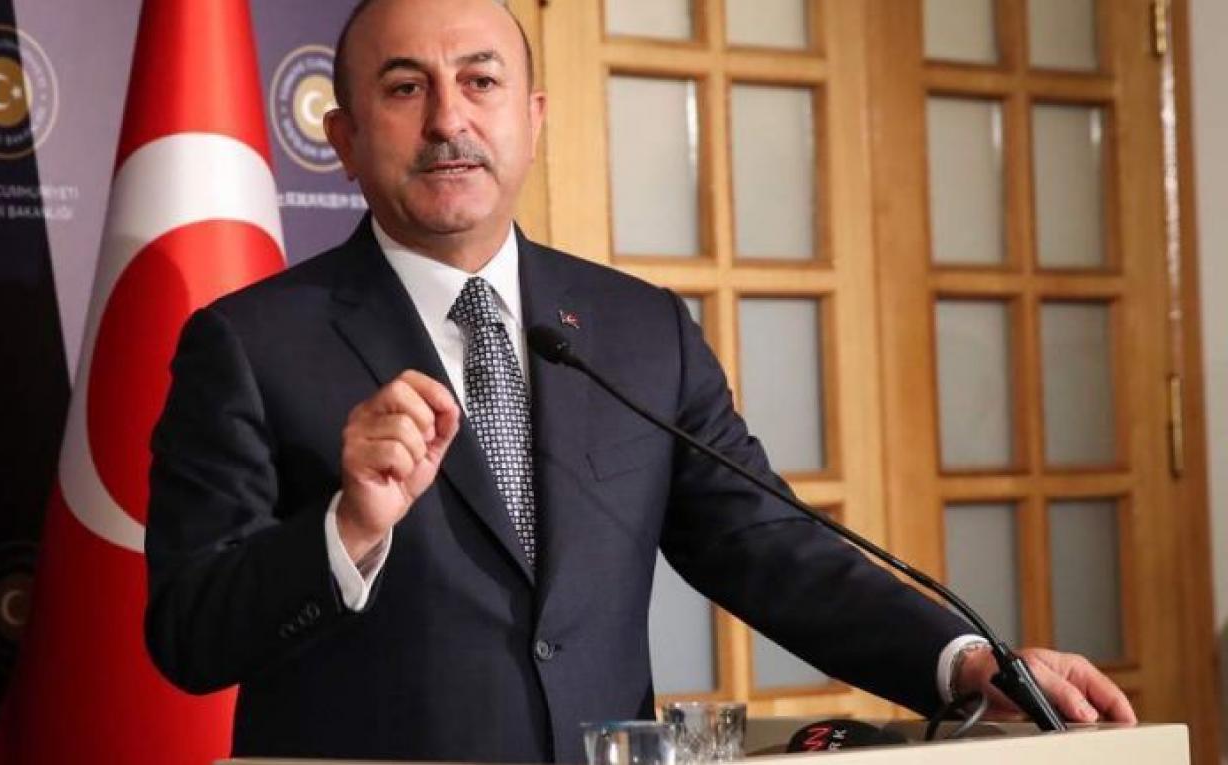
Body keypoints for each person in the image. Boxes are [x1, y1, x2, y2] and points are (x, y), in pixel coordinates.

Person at [143, 0, 1136, 761]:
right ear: (344, 138)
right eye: (405, 89)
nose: (450, 119)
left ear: (532, 118)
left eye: (481, 81)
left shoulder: (636, 329)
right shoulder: (250, 344)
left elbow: (767, 546)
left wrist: (967, 661)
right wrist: (347, 528)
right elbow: (187, 635)